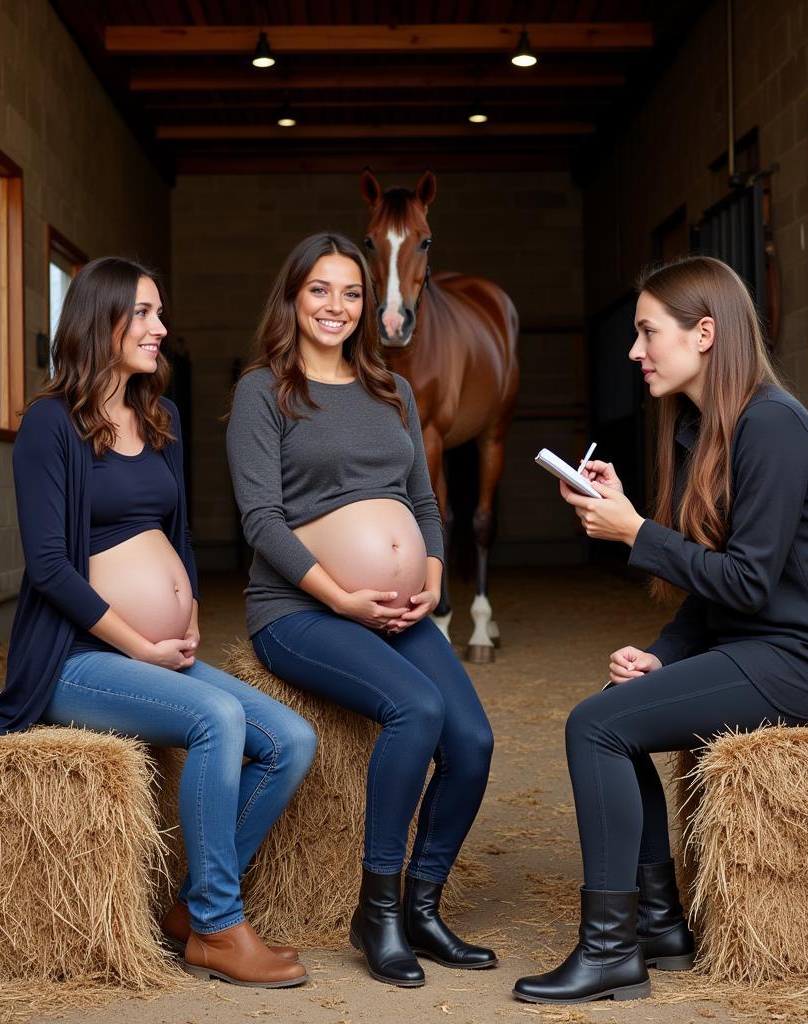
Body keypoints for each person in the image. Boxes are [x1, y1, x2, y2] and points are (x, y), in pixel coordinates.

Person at [513, 256, 808, 1005]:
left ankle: (613, 950)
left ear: (704, 333)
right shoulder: (703, 431)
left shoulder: (772, 425)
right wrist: (662, 654)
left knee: (593, 727)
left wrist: (635, 530)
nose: (634, 350)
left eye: (647, 332)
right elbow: (715, 597)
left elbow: (748, 581)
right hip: (761, 647)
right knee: (613, 714)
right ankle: (659, 928)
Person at [0, 256, 316, 990]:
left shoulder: (162, 417)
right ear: (103, 320)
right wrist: (141, 642)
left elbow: (177, 533)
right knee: (218, 718)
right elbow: (51, 567)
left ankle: (189, 908)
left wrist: (184, 614)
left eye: (160, 313)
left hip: (158, 650)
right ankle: (220, 928)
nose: (161, 328)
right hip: (72, 658)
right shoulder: (48, 425)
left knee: (292, 739)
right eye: (145, 313)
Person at [227, 233, 496, 988]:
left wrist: (434, 577)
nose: (336, 307)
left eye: (350, 293)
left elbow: (422, 502)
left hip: (399, 610)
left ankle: (421, 905)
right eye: (320, 290)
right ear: (293, 297)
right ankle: (374, 911)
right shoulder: (264, 392)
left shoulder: (392, 391)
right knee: (417, 708)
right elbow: (261, 520)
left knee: (472, 739)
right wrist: (343, 594)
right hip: (299, 611)